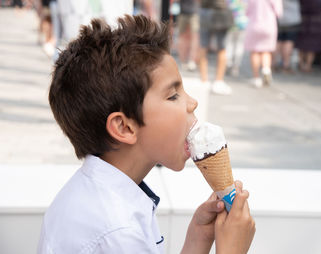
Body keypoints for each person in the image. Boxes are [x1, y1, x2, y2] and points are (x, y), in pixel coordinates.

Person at [37, 15, 255, 253]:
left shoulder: (100, 200)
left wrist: (198, 240)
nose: (192, 103)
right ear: (124, 127)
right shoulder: (118, 233)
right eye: (173, 95)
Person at [198, 0, 234, 95]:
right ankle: (218, 81)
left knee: (203, 47)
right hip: (220, 11)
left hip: (205, 11)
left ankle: (204, 80)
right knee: (221, 49)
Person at [244, 0, 282, 88]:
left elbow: (246, 10)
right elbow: (278, 12)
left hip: (254, 25)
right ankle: (266, 69)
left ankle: (256, 77)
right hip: (269, 25)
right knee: (266, 51)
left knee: (255, 51)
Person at [295, 0, 321, 73]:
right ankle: (308, 65)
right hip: (316, 22)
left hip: (304, 21)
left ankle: (301, 64)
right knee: (312, 45)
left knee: (302, 43)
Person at [274, 0, 301, 73]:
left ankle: (274, 63)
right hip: (292, 19)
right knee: (289, 41)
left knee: (278, 41)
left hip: (279, 19)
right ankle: (286, 65)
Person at [177, 0, 199, 71]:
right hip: (184, 12)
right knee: (184, 38)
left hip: (193, 12)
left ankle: (191, 60)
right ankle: (183, 61)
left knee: (193, 37)